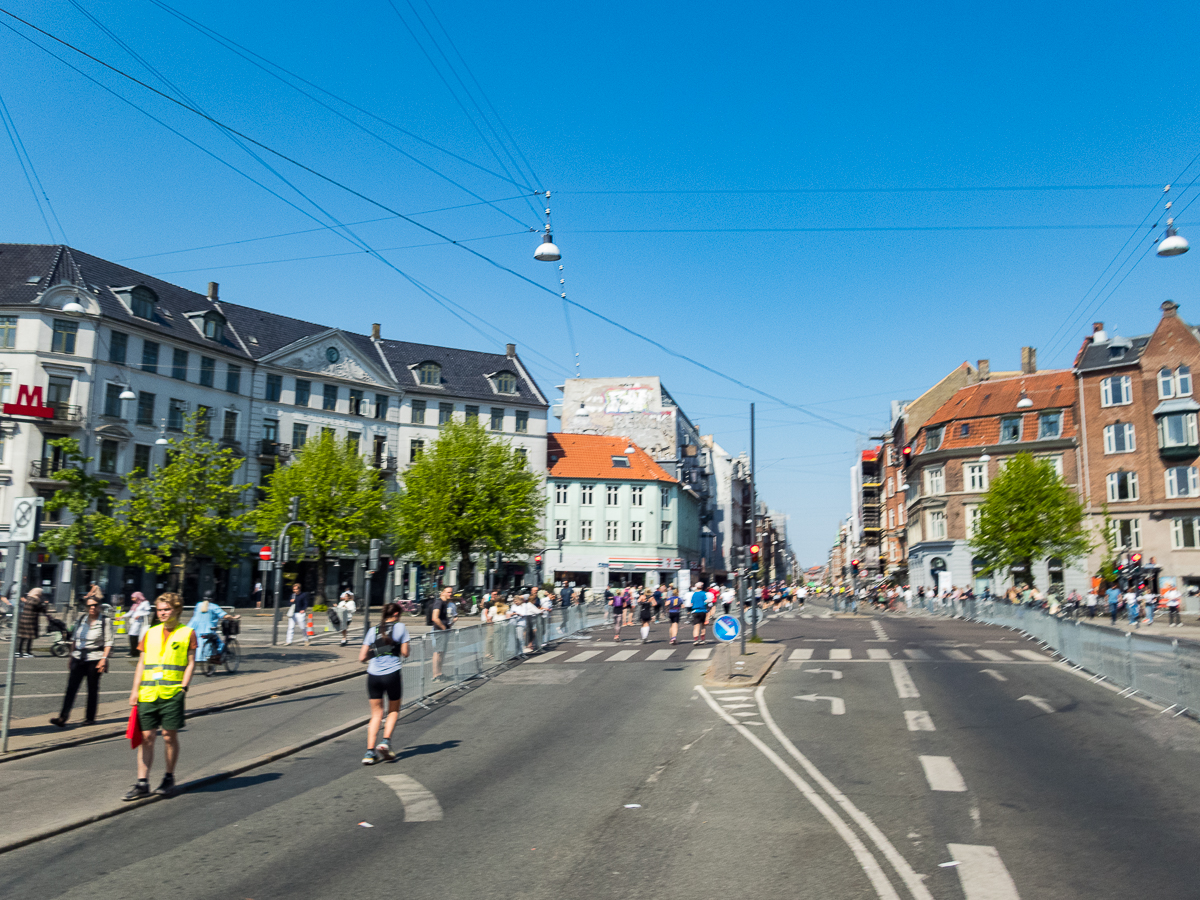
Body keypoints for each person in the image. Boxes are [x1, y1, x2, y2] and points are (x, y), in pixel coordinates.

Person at [124, 593, 197, 800]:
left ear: (177, 610)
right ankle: (142, 783)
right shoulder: (150, 632)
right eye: (159, 609)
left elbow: (191, 663)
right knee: (146, 738)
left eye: (166, 609)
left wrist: (184, 688)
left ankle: (168, 777)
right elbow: (141, 663)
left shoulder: (188, 633)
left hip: (172, 693)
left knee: (168, 736)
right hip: (148, 693)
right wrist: (134, 690)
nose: (162, 613)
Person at [49, 595, 114, 727]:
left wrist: (103, 659)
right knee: (71, 688)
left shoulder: (105, 621)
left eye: (95, 605)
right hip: (79, 657)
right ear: (86, 607)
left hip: (95, 658)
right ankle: (63, 717)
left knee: (92, 689)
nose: (92, 608)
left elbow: (108, 642)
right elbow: (74, 639)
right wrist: (71, 656)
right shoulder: (82, 619)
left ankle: (90, 718)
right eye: (90, 605)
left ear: (99, 606)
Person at [359, 602, 410, 765]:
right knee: (393, 710)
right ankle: (385, 742)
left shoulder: (372, 630)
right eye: (399, 614)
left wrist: (377, 650)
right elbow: (405, 653)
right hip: (392, 674)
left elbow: (362, 657)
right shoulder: (401, 628)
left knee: (376, 714)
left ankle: (369, 752)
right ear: (395, 615)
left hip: (373, 676)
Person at [188, 594, 238, 662]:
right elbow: (224, 616)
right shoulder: (213, 606)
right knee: (218, 643)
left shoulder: (198, 605)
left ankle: (197, 657)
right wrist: (233, 617)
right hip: (208, 629)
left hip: (194, 628)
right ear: (213, 598)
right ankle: (214, 658)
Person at [428, 586, 453, 681]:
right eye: (448, 592)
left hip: (442, 631)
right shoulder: (439, 602)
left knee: (441, 652)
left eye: (451, 592)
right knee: (438, 652)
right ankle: (436, 675)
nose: (450, 594)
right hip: (439, 631)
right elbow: (435, 617)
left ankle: (439, 673)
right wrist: (443, 628)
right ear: (442, 592)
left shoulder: (444, 603)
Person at [15, 586, 47, 658]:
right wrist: (44, 604)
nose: (41, 594)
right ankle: (27, 652)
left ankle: (18, 651)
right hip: (30, 620)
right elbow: (41, 609)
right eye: (41, 593)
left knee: (22, 637)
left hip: (23, 619)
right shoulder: (35, 600)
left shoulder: (28, 598)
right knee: (29, 637)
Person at [122, 592, 152, 657]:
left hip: (140, 622)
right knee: (132, 636)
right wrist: (122, 616)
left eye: (134, 597)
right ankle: (134, 651)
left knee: (134, 635)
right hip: (134, 622)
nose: (132, 599)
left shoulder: (145, 603)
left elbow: (148, 612)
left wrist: (140, 615)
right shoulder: (135, 604)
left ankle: (134, 652)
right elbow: (131, 612)